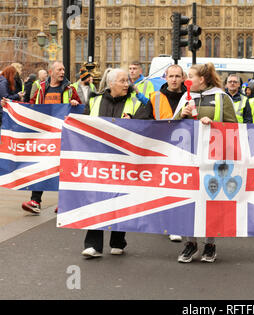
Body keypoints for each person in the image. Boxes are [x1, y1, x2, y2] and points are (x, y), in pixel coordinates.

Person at [82, 68, 152, 258]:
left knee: (121, 198)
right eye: (122, 81)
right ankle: (93, 245)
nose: (126, 84)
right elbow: (83, 127)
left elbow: (148, 123)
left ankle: (118, 240)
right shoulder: (94, 100)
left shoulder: (136, 102)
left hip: (124, 160)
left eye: (127, 81)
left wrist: (133, 121)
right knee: (96, 200)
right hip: (100, 160)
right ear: (111, 83)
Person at [174, 62, 237, 263]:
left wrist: (213, 125)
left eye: (190, 76)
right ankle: (190, 244)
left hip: (214, 157)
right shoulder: (186, 97)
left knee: (211, 200)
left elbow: (233, 127)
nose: (187, 80)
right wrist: (181, 116)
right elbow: (171, 126)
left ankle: (210, 244)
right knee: (189, 199)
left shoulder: (222, 97)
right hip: (189, 156)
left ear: (202, 79)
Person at [21, 61, 82, 215]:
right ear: (51, 72)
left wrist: (75, 102)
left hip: (64, 136)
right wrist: (10, 105)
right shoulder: (42, 89)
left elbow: (81, 108)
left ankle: (64, 203)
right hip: (45, 135)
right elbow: (31, 106)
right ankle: (35, 201)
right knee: (41, 166)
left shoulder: (70, 89)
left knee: (64, 168)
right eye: (59, 69)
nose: (62, 72)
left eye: (63, 69)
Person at [148, 64, 186, 242]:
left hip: (185, 150)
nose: (174, 79)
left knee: (180, 189)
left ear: (183, 78)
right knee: (165, 188)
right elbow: (144, 119)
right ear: (165, 77)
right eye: (171, 76)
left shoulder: (190, 98)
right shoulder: (155, 97)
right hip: (162, 150)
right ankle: (167, 222)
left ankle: (175, 225)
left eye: (177, 76)